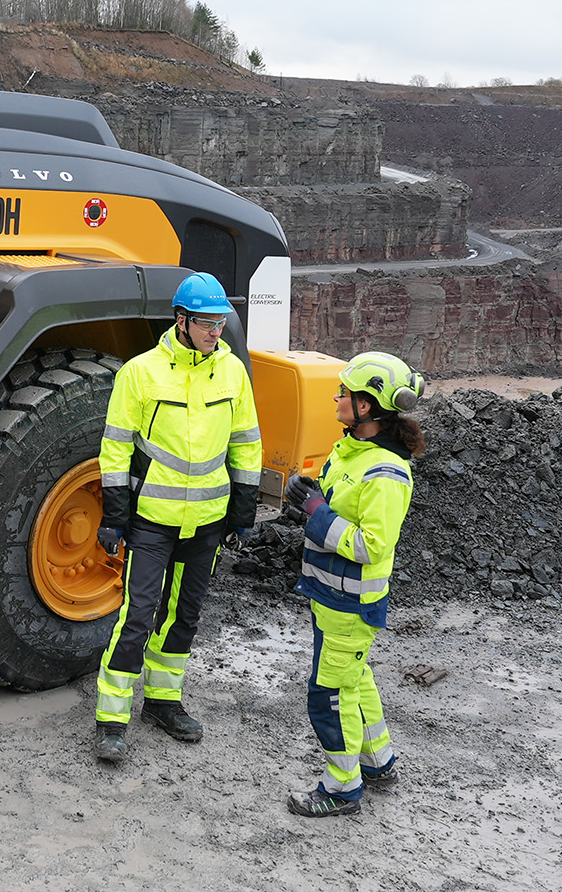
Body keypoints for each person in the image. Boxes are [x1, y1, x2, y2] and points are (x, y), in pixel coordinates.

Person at [91, 272, 263, 762]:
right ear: (181, 321)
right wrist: (114, 516)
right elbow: (115, 450)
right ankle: (111, 719)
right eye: (207, 323)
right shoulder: (140, 373)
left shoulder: (233, 373)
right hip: (152, 520)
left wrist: (242, 512)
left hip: (207, 519)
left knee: (184, 616)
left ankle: (164, 702)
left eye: (221, 322)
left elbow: (246, 443)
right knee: (138, 616)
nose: (217, 332)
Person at [285, 351, 426, 817]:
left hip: (349, 602)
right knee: (356, 679)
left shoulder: (386, 472)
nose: (337, 397)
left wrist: (316, 514)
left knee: (328, 696)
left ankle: (342, 789)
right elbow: (340, 505)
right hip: (332, 597)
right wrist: (312, 495)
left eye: (344, 392)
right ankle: (378, 763)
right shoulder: (353, 450)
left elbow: (371, 544)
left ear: (366, 406)